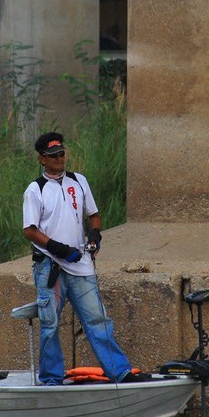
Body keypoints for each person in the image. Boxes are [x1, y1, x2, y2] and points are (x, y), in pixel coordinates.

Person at [22, 131, 147, 385]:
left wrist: (95, 236)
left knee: (98, 319)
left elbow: (94, 215)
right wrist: (57, 248)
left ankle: (120, 372)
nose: (59, 159)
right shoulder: (36, 189)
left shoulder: (79, 181)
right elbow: (30, 230)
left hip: (81, 265)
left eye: (61, 154)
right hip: (50, 266)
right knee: (50, 325)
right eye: (52, 156)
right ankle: (51, 379)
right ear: (41, 159)